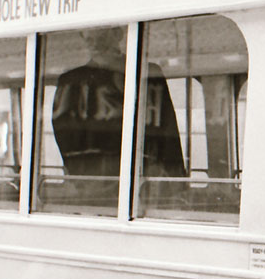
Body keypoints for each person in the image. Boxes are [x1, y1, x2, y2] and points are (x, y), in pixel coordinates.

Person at [50, 26, 185, 179]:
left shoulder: (147, 73)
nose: (95, 45)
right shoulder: (71, 81)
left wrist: (173, 176)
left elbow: (167, 127)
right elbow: (64, 133)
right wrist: (79, 175)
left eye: (101, 38)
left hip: (140, 175)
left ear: (118, 35)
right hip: (92, 177)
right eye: (89, 40)